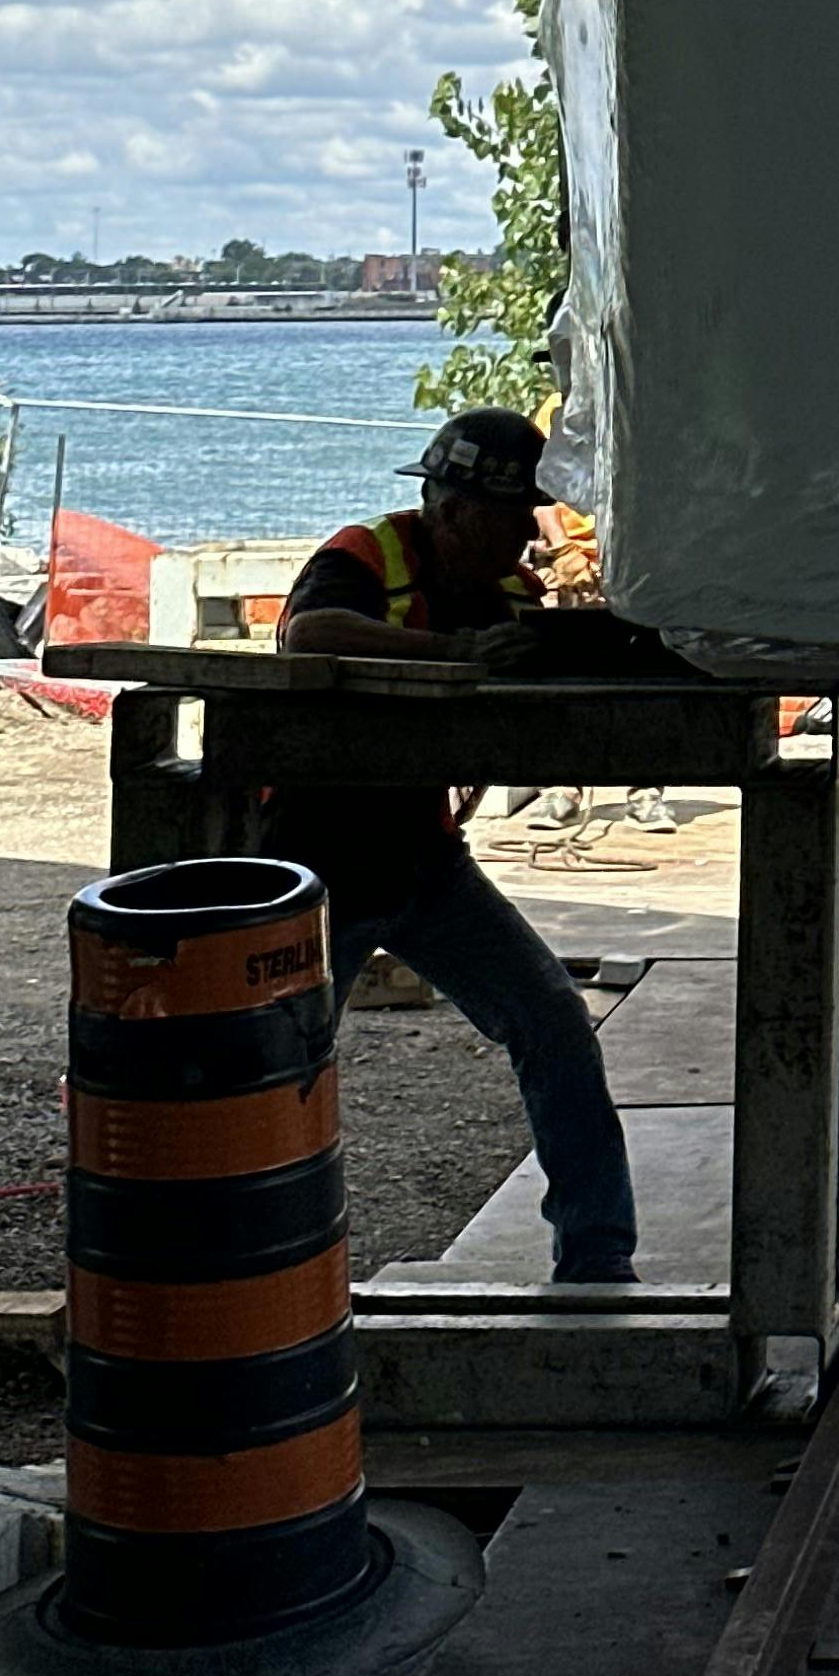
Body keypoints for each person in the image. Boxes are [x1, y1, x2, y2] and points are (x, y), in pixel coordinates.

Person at [266, 410, 640, 1285]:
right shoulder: (365, 556)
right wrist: (450, 655)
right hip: (318, 862)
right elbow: (310, 633)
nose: (526, 537)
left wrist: (557, 649)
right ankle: (265, 1276)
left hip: (423, 860)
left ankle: (598, 1256)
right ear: (454, 507)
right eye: (516, 518)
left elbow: (543, 661)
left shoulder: (508, 595)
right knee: (281, 1069)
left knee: (553, 1023)